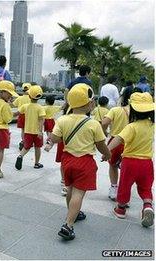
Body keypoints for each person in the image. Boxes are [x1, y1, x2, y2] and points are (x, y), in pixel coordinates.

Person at [50, 83, 111, 241]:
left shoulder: (63, 119)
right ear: (90, 104)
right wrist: (108, 154)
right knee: (78, 193)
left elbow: (54, 138)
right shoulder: (93, 124)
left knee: (70, 189)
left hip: (67, 160)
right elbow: (100, 145)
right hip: (84, 162)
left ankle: (73, 213)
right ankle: (68, 225)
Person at [108, 92, 154, 227]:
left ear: (133, 109)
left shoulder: (131, 127)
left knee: (125, 185)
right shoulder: (152, 125)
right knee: (146, 187)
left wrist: (107, 151)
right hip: (147, 163)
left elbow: (119, 139)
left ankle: (120, 209)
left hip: (130, 162)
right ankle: (147, 206)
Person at [101, 88, 134, 201]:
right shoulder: (138, 113)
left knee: (113, 165)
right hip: (131, 143)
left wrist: (105, 133)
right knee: (127, 169)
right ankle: (125, 193)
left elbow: (104, 122)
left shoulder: (115, 110)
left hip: (115, 141)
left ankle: (114, 188)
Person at [15, 85, 46, 170]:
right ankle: (36, 163)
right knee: (37, 147)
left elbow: (16, 113)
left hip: (27, 131)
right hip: (37, 132)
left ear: (29, 96)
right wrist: (40, 131)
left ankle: (20, 156)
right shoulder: (40, 108)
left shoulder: (25, 106)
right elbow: (41, 120)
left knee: (26, 147)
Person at [13, 83, 31, 150]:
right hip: (29, 115)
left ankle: (23, 141)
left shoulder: (19, 98)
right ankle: (28, 141)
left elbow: (14, 104)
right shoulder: (31, 98)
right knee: (28, 130)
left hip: (21, 115)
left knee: (23, 130)